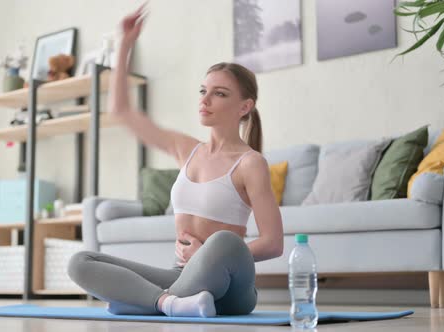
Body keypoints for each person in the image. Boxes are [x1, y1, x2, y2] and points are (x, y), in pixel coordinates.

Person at [68, 1, 284, 317]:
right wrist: (125, 43)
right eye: (202, 91)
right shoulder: (187, 149)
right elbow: (122, 112)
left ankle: (141, 302)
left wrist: (209, 256)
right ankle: (168, 303)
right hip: (181, 278)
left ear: (244, 107)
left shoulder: (251, 163)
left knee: (223, 241)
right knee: (81, 262)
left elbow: (273, 243)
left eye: (219, 93)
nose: (205, 100)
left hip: (230, 288)